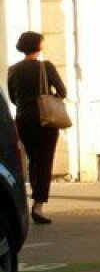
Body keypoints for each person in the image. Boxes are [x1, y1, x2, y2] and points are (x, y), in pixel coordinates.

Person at [7, 31, 67, 224]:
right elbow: (62, 91)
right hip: (45, 119)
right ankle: (38, 205)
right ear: (38, 45)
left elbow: (12, 98)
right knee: (45, 160)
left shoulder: (13, 69)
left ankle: (33, 197)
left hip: (24, 118)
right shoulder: (45, 67)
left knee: (33, 159)